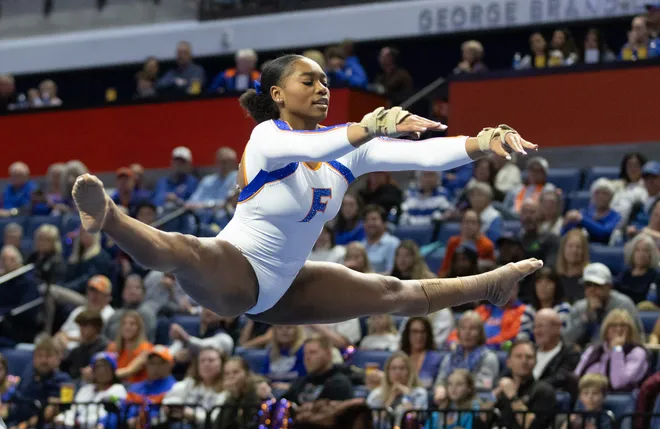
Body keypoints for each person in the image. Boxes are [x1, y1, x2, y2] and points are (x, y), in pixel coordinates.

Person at [72, 54, 542, 326]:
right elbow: (320, 141)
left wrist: (482, 143)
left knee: (390, 293)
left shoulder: (348, 149)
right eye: (308, 80)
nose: (322, 88)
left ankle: (490, 285)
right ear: (277, 94)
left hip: (289, 285)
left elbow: (423, 155)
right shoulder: (267, 138)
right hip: (235, 269)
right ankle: (109, 216)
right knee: (186, 251)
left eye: (326, 81)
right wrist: (372, 124)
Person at [574, 309, 649, 392]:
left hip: (620, 397)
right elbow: (578, 377)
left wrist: (617, 349)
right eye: (613, 325)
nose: (618, 329)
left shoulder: (637, 352)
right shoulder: (592, 350)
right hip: (588, 397)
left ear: (630, 329)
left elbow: (618, 383)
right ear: (606, 329)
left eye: (623, 325)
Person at [366, 351, 428, 420]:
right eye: (393, 368)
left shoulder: (419, 393)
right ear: (387, 372)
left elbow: (416, 419)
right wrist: (391, 397)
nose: (397, 372)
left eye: (402, 368)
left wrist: (407, 396)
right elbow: (376, 422)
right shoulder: (377, 394)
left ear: (409, 372)